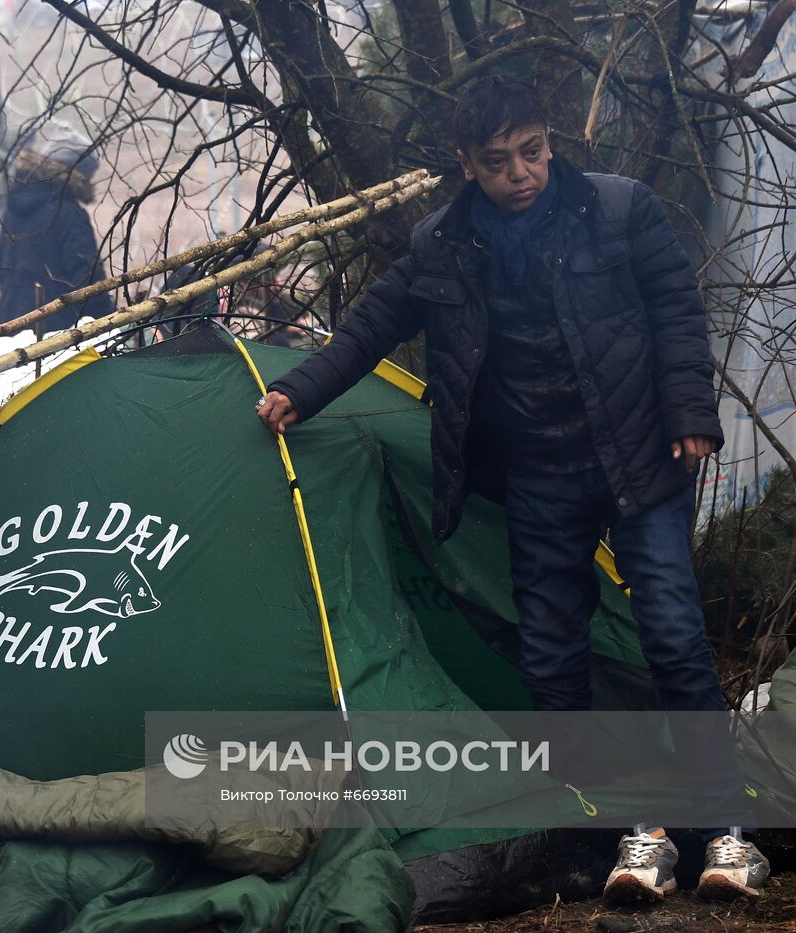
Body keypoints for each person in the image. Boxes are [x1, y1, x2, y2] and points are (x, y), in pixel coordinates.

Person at [256, 75, 769, 904]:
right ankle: (625, 834)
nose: (520, 173)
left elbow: (677, 307)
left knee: (672, 635)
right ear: (468, 165)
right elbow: (374, 322)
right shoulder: (444, 244)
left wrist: (691, 413)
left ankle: (727, 832)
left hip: (640, 456)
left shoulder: (618, 208)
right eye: (498, 162)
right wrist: (300, 390)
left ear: (549, 142)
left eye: (531, 152)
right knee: (553, 660)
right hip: (537, 473)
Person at [0, 127, 112, 332]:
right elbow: (88, 278)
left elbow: (2, 268)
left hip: (11, 325)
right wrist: (108, 323)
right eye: (88, 174)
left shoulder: (13, 210)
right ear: (77, 172)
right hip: (58, 331)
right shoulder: (68, 213)